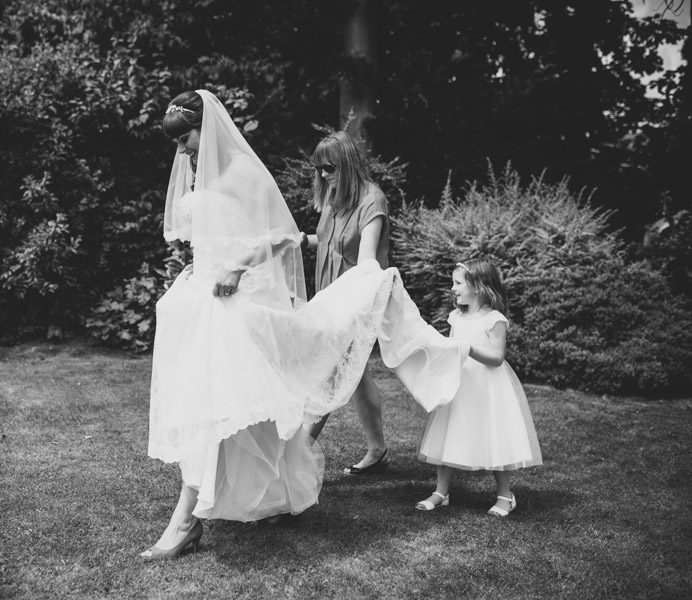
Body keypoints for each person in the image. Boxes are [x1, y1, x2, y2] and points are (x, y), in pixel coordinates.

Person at [142, 90, 399, 560]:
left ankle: (185, 521)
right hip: (204, 297)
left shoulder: (243, 170)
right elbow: (212, 237)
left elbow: (280, 234)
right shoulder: (205, 171)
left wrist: (238, 266)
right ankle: (260, 498)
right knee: (227, 409)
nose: (182, 150)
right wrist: (202, 268)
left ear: (209, 127)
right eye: (177, 143)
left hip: (238, 302)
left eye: (187, 138)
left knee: (219, 406)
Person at [414, 258, 542, 516]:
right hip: (459, 385)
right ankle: (441, 492)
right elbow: (452, 348)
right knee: (447, 433)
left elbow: (496, 358)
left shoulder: (494, 319)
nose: (453, 287)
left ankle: (505, 495)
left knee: (495, 436)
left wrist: (470, 349)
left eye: (458, 282)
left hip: (487, 388)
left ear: (478, 286)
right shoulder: (456, 317)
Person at [299, 131, 391, 476]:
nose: (323, 174)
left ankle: (294, 454)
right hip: (329, 295)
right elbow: (326, 240)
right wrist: (296, 241)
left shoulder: (372, 201)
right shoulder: (335, 197)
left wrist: (349, 305)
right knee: (357, 375)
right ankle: (378, 449)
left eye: (329, 167)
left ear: (348, 163)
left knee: (330, 372)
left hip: (355, 299)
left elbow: (367, 261)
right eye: (319, 168)